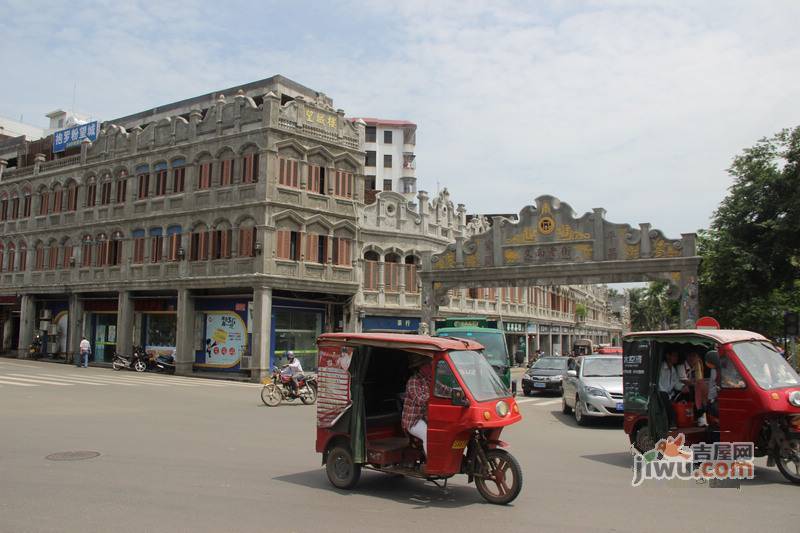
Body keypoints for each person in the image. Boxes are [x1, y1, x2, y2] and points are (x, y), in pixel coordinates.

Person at [402, 356, 431, 456]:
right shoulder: (413, 381)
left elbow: (443, 389)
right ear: (421, 368)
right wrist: (434, 396)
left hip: (427, 418)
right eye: (428, 366)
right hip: (413, 420)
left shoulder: (429, 379)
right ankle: (432, 465)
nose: (431, 367)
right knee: (428, 434)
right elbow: (420, 399)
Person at [658, 351, 687, 428]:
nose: (676, 358)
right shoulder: (661, 368)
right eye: (674, 356)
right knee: (664, 396)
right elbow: (659, 385)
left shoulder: (673, 369)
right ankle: (671, 423)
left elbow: (676, 383)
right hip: (661, 394)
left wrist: (683, 387)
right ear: (668, 356)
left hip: (670, 395)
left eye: (676, 356)